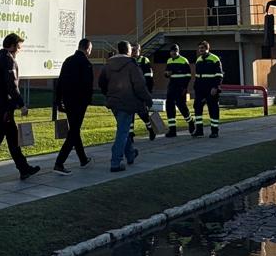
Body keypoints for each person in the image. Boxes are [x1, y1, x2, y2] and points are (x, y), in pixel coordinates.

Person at [0, 33, 42, 186]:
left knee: (12, 138)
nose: (20, 50)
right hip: (4, 108)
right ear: (11, 46)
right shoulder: (8, 60)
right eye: (18, 46)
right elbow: (12, 86)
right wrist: (22, 104)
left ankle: (23, 168)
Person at [97, 40, 152, 171]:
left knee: (124, 128)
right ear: (128, 50)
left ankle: (131, 154)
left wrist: (109, 95)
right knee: (122, 132)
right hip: (127, 102)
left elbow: (101, 83)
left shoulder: (108, 64)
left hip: (113, 102)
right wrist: (148, 100)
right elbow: (139, 85)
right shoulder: (131, 64)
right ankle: (115, 162)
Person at [52, 38, 94, 174]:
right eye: (90, 49)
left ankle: (83, 159)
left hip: (68, 101)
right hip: (79, 102)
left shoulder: (68, 60)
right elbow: (88, 86)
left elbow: (60, 82)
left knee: (75, 130)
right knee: (74, 132)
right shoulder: (86, 63)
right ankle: (59, 163)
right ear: (87, 48)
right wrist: (88, 101)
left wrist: (58, 101)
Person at [192, 40, 224, 138]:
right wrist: (195, 88)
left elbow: (219, 75)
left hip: (211, 89)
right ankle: (199, 130)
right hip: (200, 89)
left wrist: (215, 87)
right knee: (197, 108)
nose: (200, 50)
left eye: (202, 48)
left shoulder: (215, 59)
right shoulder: (198, 60)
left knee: (213, 109)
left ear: (207, 48)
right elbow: (197, 76)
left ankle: (214, 131)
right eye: (199, 48)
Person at [162, 43, 195, 138]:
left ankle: (190, 122)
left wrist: (185, 88)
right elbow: (166, 73)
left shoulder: (184, 60)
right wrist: (167, 74)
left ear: (178, 51)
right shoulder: (169, 61)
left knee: (182, 106)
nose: (173, 53)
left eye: (175, 51)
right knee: (169, 107)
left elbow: (188, 76)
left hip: (181, 87)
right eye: (172, 51)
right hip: (171, 86)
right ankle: (172, 130)